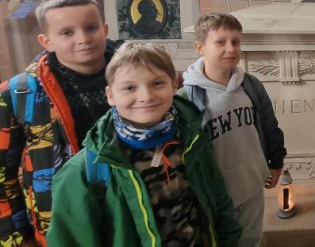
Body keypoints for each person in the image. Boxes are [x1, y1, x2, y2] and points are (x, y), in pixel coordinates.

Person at [46, 42, 241, 246]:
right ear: (110, 95)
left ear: (174, 85)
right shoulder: (82, 172)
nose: (146, 96)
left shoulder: (193, 139)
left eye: (157, 83)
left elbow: (219, 201)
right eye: (129, 88)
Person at [0, 0, 119, 246]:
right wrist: (15, 237)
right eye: (67, 33)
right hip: (61, 220)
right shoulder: (18, 93)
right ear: (46, 41)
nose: (83, 39)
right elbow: (2, 173)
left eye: (91, 28)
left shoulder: (138, 75)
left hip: (128, 209)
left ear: (105, 29)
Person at [180, 13, 286, 247]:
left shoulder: (251, 85)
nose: (230, 48)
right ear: (200, 48)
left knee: (251, 241)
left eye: (235, 41)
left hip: (251, 185)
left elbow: (270, 126)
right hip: (216, 195)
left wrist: (276, 163)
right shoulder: (186, 98)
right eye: (220, 42)